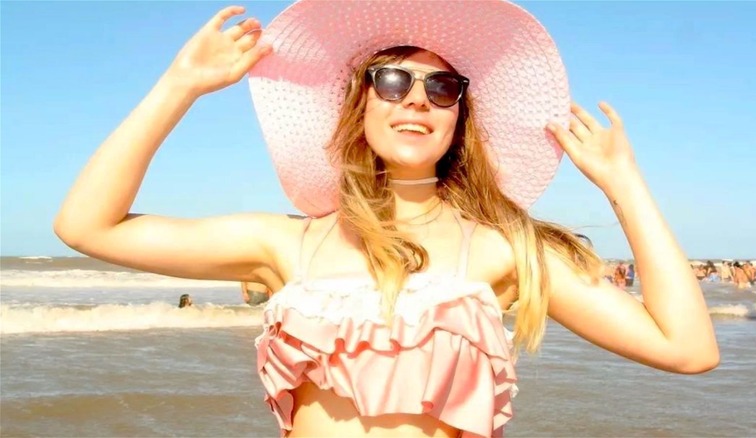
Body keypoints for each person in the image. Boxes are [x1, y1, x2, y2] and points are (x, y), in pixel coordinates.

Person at [52, 2, 719, 437]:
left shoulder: (503, 248)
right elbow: (87, 226)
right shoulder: (289, 243)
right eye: (392, 81)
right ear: (359, 104)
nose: (418, 100)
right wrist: (179, 87)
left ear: (460, 116)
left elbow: (687, 350)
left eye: (443, 87)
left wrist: (624, 186)